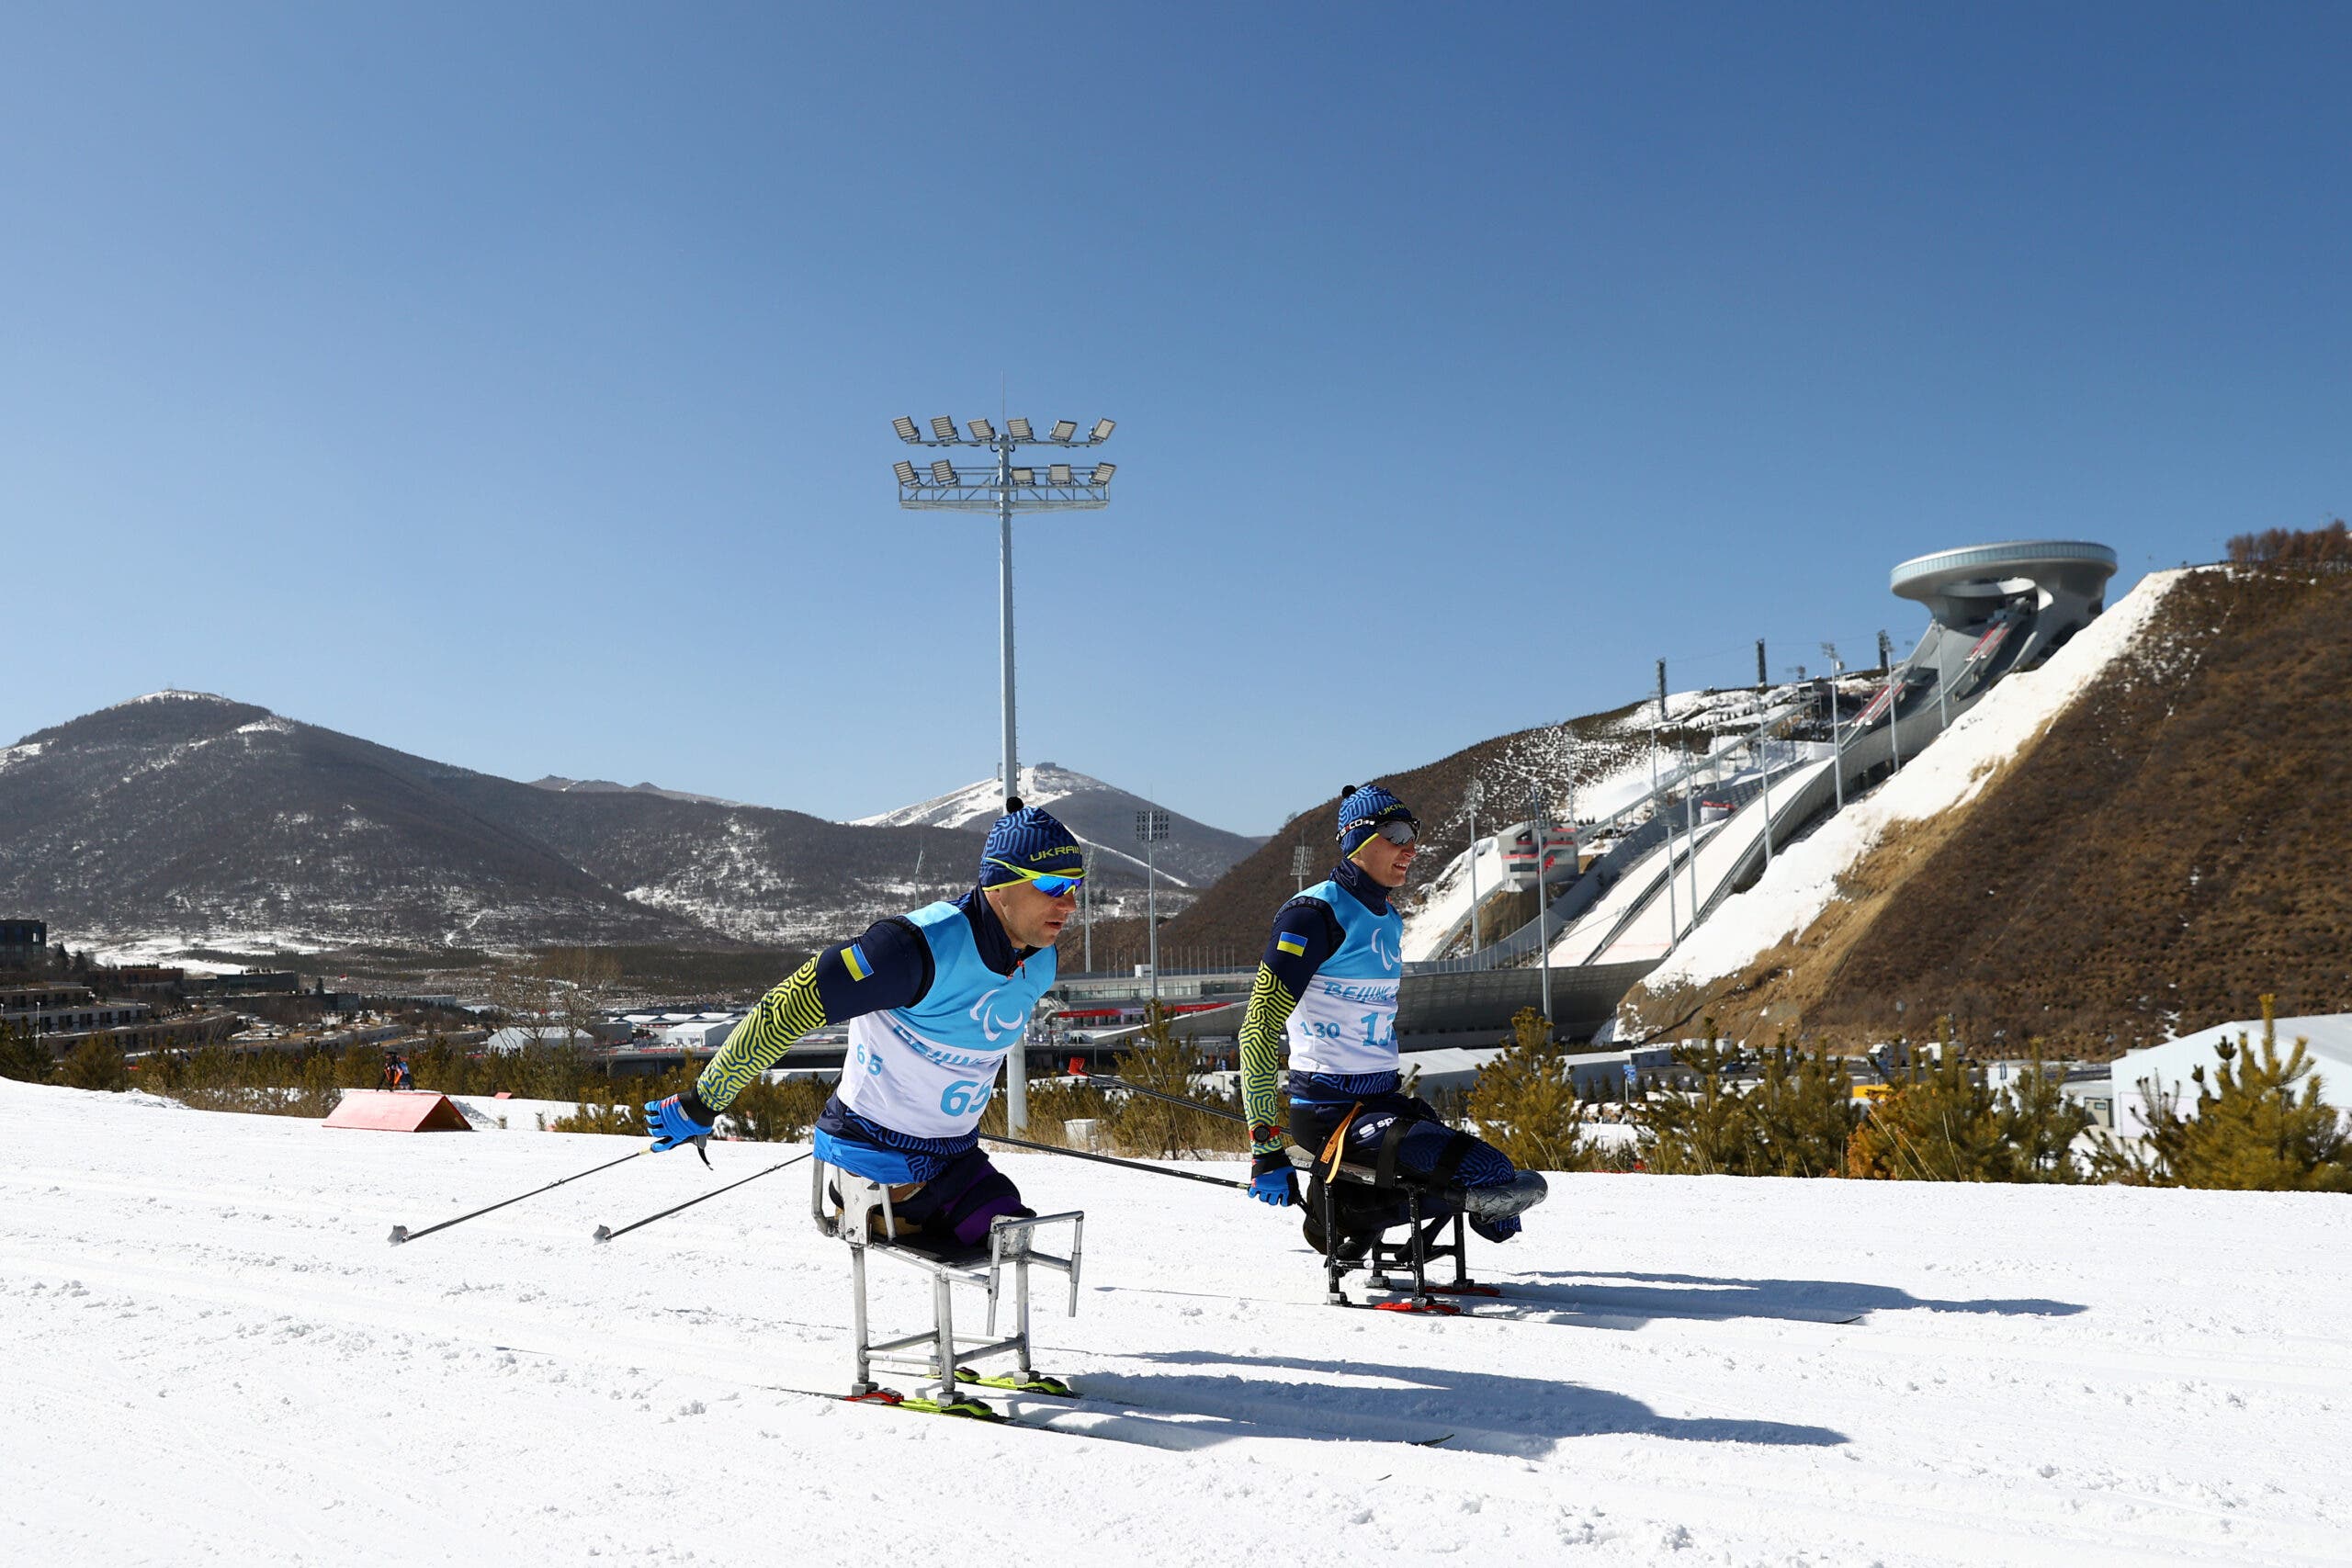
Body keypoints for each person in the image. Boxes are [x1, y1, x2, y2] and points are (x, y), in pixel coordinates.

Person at [642, 806, 1083, 1262]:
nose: (1069, 904)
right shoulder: (911, 950)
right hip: (873, 1155)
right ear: (999, 883)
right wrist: (705, 1099)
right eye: (1052, 885)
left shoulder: (1041, 961)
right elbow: (785, 1008)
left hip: (953, 1156)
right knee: (985, 1242)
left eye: (1074, 887)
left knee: (1013, 1238)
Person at [1238, 782, 1545, 1257]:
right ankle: (1343, 1213)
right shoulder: (1313, 915)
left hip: (1381, 1100)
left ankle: (1351, 1219)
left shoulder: (1387, 918)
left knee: (1499, 1196)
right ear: (1357, 839)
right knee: (1490, 1175)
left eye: (1413, 834)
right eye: (1396, 834)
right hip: (1330, 1111)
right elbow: (1258, 1030)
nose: (1410, 847)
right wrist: (1265, 1146)